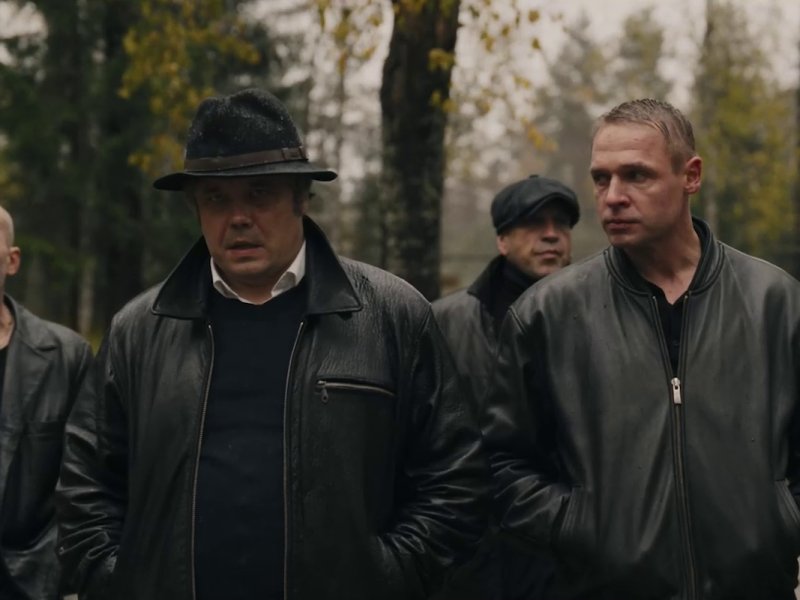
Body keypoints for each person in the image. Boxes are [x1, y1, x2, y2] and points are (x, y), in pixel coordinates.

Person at [56, 88, 488, 600]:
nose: (238, 218)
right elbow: (85, 490)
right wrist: (124, 581)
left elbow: (455, 480)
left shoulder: (391, 315)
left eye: (259, 193)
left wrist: (385, 576)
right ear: (196, 208)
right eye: (216, 199)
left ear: (301, 198)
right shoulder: (139, 331)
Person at [482, 97, 800, 600]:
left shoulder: (775, 301)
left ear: (690, 176)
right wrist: (581, 527)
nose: (612, 197)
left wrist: (780, 522)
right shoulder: (547, 314)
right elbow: (503, 464)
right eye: (601, 178)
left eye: (636, 175)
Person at [431, 175, 579, 600]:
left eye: (561, 223)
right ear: (502, 240)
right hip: (474, 552)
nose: (551, 234)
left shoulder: (595, 317)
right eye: (534, 223)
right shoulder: (445, 323)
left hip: (568, 552)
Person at [0, 206, 92, 600]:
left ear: (12, 260)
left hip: (33, 581)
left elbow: (88, 485)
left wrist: (66, 579)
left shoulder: (65, 356)